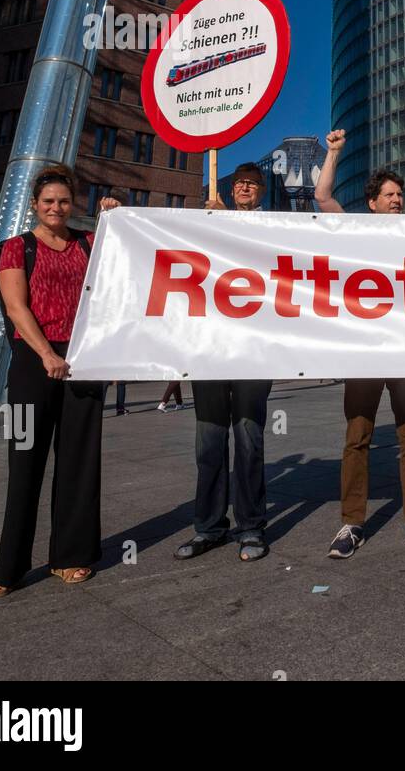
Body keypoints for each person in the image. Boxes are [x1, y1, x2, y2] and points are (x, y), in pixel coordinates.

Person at [0, 165, 119, 596]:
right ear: (34, 206)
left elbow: (121, 264)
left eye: (63, 201)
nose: (56, 208)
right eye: (48, 202)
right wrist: (47, 355)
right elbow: (16, 308)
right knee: (24, 462)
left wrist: (112, 219)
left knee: (80, 461)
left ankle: (72, 556)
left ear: (72, 203)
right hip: (32, 361)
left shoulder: (88, 242)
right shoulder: (16, 248)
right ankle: (10, 567)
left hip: (82, 361)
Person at [314, 131, 405, 558]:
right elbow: (322, 196)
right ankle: (351, 524)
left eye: (400, 194)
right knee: (357, 437)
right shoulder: (355, 233)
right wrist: (334, 153)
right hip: (365, 352)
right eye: (389, 195)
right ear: (371, 204)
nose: (397, 200)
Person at [173, 164, 274, 563]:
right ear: (231, 190)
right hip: (210, 350)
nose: (244, 187)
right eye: (238, 183)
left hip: (252, 352)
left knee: (249, 440)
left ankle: (250, 527)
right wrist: (209, 222)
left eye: (252, 183)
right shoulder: (206, 224)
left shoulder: (275, 229)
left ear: (262, 191)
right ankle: (209, 527)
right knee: (209, 443)